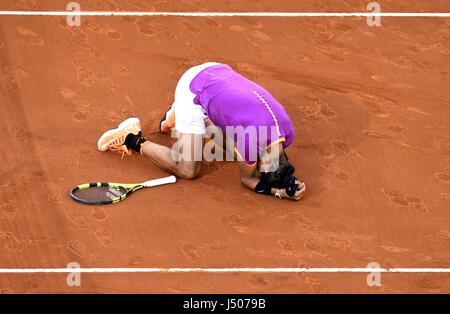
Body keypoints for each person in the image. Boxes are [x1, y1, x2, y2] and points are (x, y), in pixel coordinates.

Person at [97, 62, 305, 201]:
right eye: (261, 167)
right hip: (193, 89)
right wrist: (277, 192)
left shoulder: (287, 131)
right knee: (188, 170)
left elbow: (267, 165)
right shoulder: (250, 144)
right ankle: (131, 137)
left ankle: (187, 118)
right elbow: (248, 179)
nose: (257, 167)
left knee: (235, 154)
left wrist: (287, 180)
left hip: (218, 71)